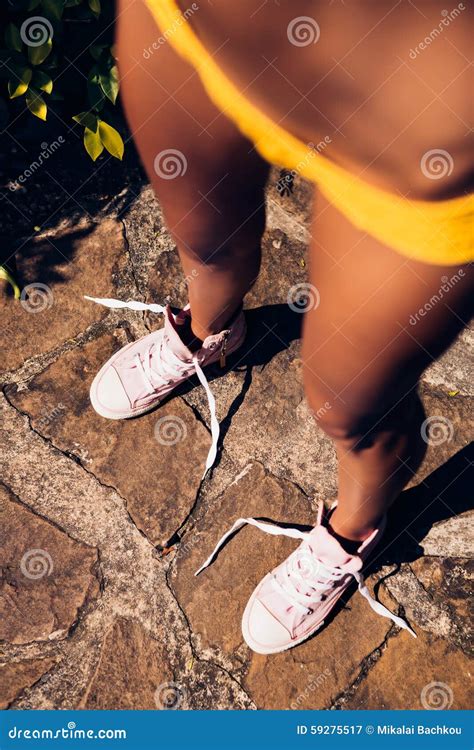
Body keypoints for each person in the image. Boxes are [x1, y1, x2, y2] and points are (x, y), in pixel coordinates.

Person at [86, 0, 473, 654]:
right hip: (192, 26)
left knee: (348, 404)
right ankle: (212, 333)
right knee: (205, 243)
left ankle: (354, 530)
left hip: (417, 156)